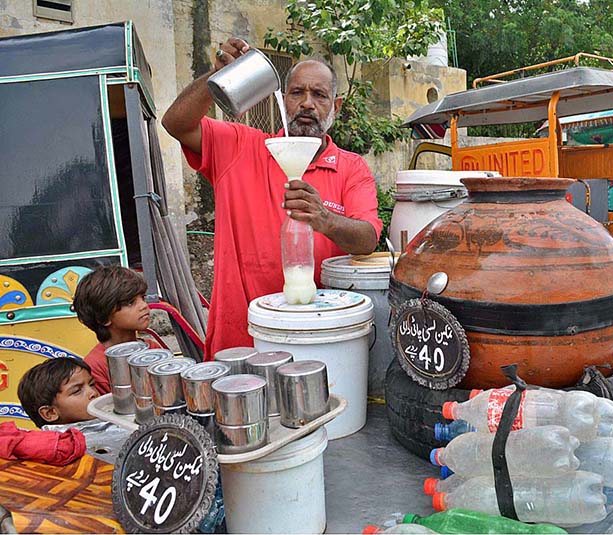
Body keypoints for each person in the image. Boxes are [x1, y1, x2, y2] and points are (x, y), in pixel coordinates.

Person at [162, 38, 382, 358]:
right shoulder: (241, 148)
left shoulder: (351, 168)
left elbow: (367, 239)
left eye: (319, 95)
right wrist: (217, 77)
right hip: (241, 339)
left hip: (320, 336)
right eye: (297, 93)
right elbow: (176, 123)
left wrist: (324, 218)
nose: (307, 104)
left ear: (336, 107)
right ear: (283, 99)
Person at [73, 265, 161, 395]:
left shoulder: (153, 348)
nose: (143, 306)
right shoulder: (96, 366)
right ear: (103, 317)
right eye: (130, 302)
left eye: (143, 298)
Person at [17, 358, 98, 428]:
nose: (93, 393)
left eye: (92, 384)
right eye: (77, 391)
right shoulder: (57, 445)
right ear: (50, 413)